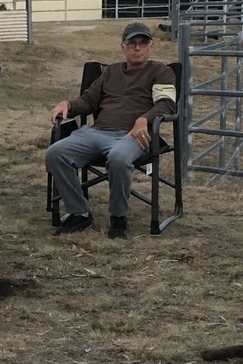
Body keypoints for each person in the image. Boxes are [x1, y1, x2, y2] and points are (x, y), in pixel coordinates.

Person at [46, 22, 177, 239]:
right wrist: (68, 104)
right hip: (97, 131)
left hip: (132, 135)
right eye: (132, 43)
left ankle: (118, 217)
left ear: (150, 46)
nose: (137, 48)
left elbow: (166, 104)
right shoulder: (110, 72)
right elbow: (89, 101)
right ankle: (79, 213)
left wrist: (144, 119)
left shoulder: (161, 72)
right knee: (55, 152)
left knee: (118, 157)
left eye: (143, 43)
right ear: (123, 47)